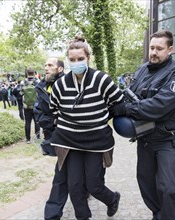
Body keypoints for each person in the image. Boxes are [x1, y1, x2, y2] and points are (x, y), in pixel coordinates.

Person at [109, 30, 175, 220]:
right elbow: (127, 95)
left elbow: (159, 106)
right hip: (145, 138)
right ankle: (158, 214)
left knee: (169, 188)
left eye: (159, 49)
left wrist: (128, 109)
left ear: (170, 49)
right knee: (146, 183)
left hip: (169, 140)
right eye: (152, 48)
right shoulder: (142, 70)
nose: (154, 52)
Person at [49, 36, 123, 219]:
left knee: (94, 185)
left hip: (96, 142)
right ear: (68, 60)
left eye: (80, 59)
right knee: (74, 187)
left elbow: (119, 103)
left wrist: (99, 119)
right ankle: (83, 217)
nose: (76, 63)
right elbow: (54, 109)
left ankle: (112, 199)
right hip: (70, 142)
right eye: (72, 60)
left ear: (88, 58)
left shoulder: (102, 80)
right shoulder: (60, 84)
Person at [33, 57, 67, 220]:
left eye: (50, 65)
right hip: (56, 137)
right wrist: (54, 121)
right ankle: (52, 214)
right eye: (45, 65)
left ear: (60, 69)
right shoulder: (41, 87)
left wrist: (59, 120)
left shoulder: (70, 84)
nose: (46, 68)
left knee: (66, 174)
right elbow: (39, 114)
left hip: (74, 136)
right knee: (62, 173)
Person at [22, 67, 40, 144]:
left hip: (26, 106)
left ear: (27, 73)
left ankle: (28, 139)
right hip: (36, 105)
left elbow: (20, 93)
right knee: (37, 122)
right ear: (34, 73)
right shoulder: (37, 82)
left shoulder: (23, 82)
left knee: (27, 122)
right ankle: (37, 137)